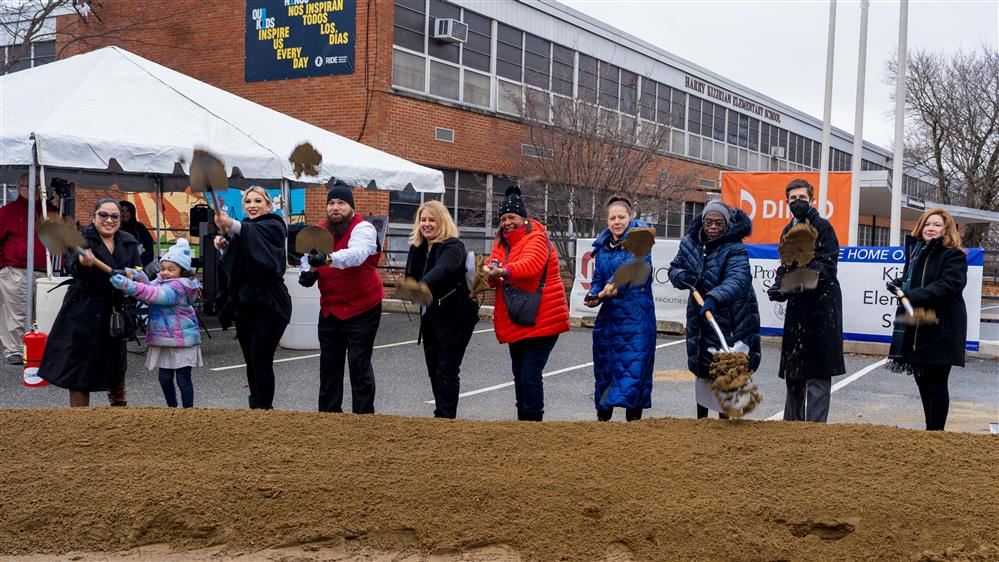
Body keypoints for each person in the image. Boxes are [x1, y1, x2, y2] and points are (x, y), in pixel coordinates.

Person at [40, 199, 143, 407]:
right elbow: (70, 265)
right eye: (103, 215)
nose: (109, 220)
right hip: (83, 311)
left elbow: (139, 271)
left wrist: (132, 276)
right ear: (94, 217)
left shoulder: (128, 241)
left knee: (115, 366)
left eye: (115, 216)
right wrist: (82, 262)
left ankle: (119, 418)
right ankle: (81, 423)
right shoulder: (82, 240)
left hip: (114, 312)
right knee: (80, 369)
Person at [484, 185, 569, 422]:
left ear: (523, 217)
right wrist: (489, 273)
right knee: (519, 374)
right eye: (503, 218)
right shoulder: (502, 242)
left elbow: (530, 266)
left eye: (511, 217)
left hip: (543, 316)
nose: (507, 222)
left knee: (530, 374)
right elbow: (493, 266)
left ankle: (533, 422)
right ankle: (523, 421)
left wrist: (503, 270)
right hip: (518, 317)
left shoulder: (537, 238)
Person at [668, 201, 761, 419]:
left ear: (727, 224)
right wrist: (679, 276)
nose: (712, 227)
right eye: (708, 222)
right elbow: (675, 266)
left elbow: (738, 279)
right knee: (703, 368)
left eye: (718, 223)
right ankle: (701, 421)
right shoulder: (690, 243)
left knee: (724, 371)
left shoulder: (735, 248)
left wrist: (713, 298)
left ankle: (724, 421)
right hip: (701, 318)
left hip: (732, 318)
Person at [298, 181, 383, 414]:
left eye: (341, 203)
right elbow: (308, 258)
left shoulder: (363, 228)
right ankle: (328, 415)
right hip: (331, 308)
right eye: (332, 203)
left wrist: (326, 259)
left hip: (363, 307)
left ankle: (363, 417)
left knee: (359, 364)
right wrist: (308, 272)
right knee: (329, 365)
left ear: (351, 208)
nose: (336, 207)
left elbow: (356, 255)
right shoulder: (320, 230)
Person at [767, 179, 845, 423]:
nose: (797, 202)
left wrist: (792, 283)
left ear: (812, 200)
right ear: (786, 202)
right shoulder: (787, 230)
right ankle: (791, 426)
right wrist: (779, 284)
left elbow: (826, 266)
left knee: (818, 373)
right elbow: (785, 264)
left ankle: (815, 432)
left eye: (802, 198)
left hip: (822, 308)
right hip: (798, 308)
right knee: (794, 372)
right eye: (793, 199)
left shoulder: (823, 227)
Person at [887, 208, 968, 431]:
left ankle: (935, 433)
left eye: (937, 225)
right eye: (927, 224)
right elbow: (915, 280)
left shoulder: (954, 255)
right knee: (922, 380)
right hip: (917, 328)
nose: (931, 228)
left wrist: (912, 295)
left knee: (937, 382)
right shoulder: (916, 253)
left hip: (942, 327)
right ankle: (929, 432)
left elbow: (947, 285)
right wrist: (899, 283)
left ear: (946, 229)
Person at [214, 186, 291, 410]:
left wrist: (230, 225)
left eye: (258, 201)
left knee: (260, 358)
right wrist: (223, 247)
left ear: (269, 205)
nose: (252, 205)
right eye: (248, 201)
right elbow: (234, 265)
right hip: (246, 304)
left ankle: (264, 410)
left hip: (271, 304)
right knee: (250, 360)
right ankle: (256, 407)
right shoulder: (244, 229)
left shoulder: (275, 225)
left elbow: (256, 239)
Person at [403, 200, 480, 419]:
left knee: (447, 368)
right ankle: (440, 413)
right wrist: (411, 287)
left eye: (431, 219)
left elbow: (443, 269)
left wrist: (420, 286)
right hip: (431, 316)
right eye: (423, 219)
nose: (426, 224)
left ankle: (446, 418)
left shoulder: (452, 246)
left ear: (442, 221)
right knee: (433, 368)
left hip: (456, 317)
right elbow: (411, 275)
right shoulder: (417, 247)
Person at [583, 196, 656, 422]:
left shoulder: (640, 240)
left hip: (637, 320)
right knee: (605, 373)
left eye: (621, 217)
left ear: (630, 217)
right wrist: (594, 295)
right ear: (607, 221)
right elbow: (597, 280)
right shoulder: (603, 248)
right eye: (612, 218)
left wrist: (614, 284)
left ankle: (633, 429)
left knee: (634, 374)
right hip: (608, 322)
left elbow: (638, 267)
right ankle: (603, 423)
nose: (617, 222)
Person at [110, 238, 202, 408]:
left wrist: (127, 285)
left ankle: (189, 413)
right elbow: (150, 286)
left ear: (182, 271)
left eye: (171, 269)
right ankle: (172, 409)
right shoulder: (163, 281)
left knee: (183, 380)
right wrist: (140, 275)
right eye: (163, 268)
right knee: (164, 378)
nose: (165, 272)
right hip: (165, 339)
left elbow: (154, 295)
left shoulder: (179, 287)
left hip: (181, 340)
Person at [0, 173, 52, 365]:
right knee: (17, 313)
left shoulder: (48, 210)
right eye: (30, 186)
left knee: (40, 312)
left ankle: (35, 347)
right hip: (16, 270)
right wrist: (3, 268)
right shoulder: (8, 212)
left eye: (39, 186)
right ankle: (15, 350)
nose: (36, 190)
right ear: (19, 188)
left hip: (43, 270)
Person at [119, 200, 156, 267]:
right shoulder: (114, 228)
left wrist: (138, 267)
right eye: (122, 210)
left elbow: (149, 250)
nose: (124, 214)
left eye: (128, 211)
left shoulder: (140, 228)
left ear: (132, 212)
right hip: (119, 266)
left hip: (139, 265)